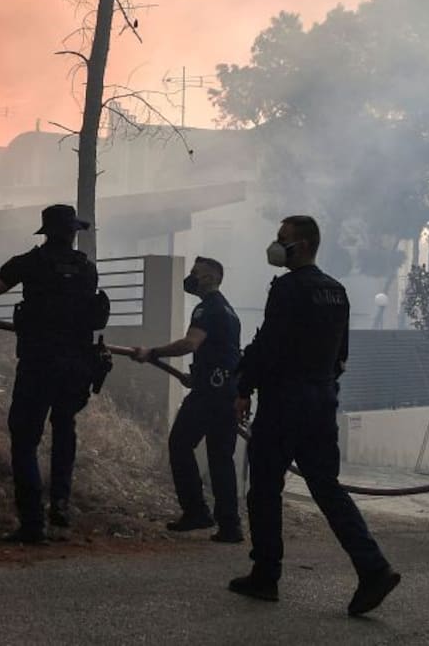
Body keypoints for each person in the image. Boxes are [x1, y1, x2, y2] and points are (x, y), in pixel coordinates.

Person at [230, 215, 401, 616]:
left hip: (284, 402)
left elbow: (269, 344)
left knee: (264, 488)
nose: (277, 245)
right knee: (327, 487)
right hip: (321, 400)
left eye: (283, 239)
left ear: (304, 244)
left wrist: (242, 386)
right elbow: (341, 355)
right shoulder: (337, 292)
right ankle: (373, 567)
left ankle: (266, 575)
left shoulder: (288, 288)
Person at [0, 204, 108, 544]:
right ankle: (60, 502)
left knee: (25, 438)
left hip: (39, 362)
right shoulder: (87, 270)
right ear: (72, 232)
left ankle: (32, 522)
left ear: (46, 232)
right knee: (65, 430)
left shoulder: (29, 263)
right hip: (76, 364)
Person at [133, 256, 242, 542]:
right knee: (221, 459)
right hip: (226, 391)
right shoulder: (229, 311)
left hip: (209, 395)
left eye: (196, 273)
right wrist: (198, 375)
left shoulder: (207, 308)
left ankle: (196, 511)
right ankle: (230, 526)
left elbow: (189, 344)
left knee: (179, 444)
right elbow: (224, 353)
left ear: (209, 278)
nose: (191, 277)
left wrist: (152, 352)